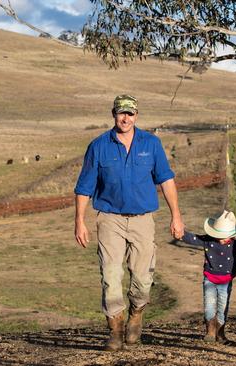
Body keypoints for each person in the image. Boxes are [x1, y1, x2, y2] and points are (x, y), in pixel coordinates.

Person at [74, 94, 184, 351]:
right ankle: (115, 329)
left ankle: (136, 314)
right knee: (111, 276)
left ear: (137, 115)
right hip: (109, 218)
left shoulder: (151, 144)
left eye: (130, 114)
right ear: (113, 114)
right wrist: (80, 221)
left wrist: (176, 216)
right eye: (121, 113)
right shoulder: (98, 146)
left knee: (143, 278)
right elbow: (84, 188)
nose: (125, 118)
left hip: (143, 219)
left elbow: (166, 181)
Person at [178, 210, 236, 343]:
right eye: (219, 236)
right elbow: (193, 238)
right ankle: (210, 331)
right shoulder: (208, 240)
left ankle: (220, 333)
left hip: (226, 281)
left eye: (226, 236)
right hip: (209, 278)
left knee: (223, 306)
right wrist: (181, 233)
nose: (222, 239)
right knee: (209, 305)